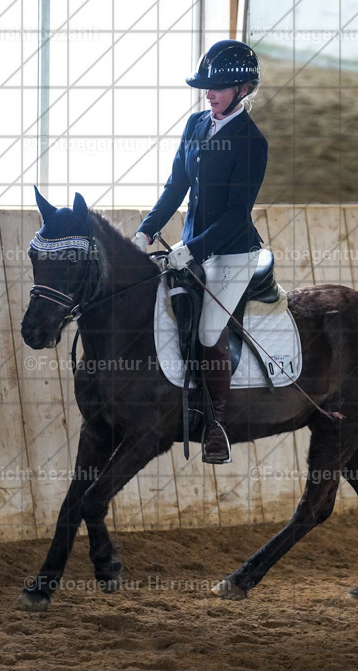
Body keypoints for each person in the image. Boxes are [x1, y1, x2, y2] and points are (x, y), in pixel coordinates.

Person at [134, 40, 268, 465]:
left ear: (243, 89)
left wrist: (191, 249)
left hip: (232, 253)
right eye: (206, 87)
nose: (209, 94)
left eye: (218, 87)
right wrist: (147, 230)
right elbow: (177, 185)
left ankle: (216, 424)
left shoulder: (252, 142)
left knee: (210, 330)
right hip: (192, 248)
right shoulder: (195, 125)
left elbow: (235, 215)